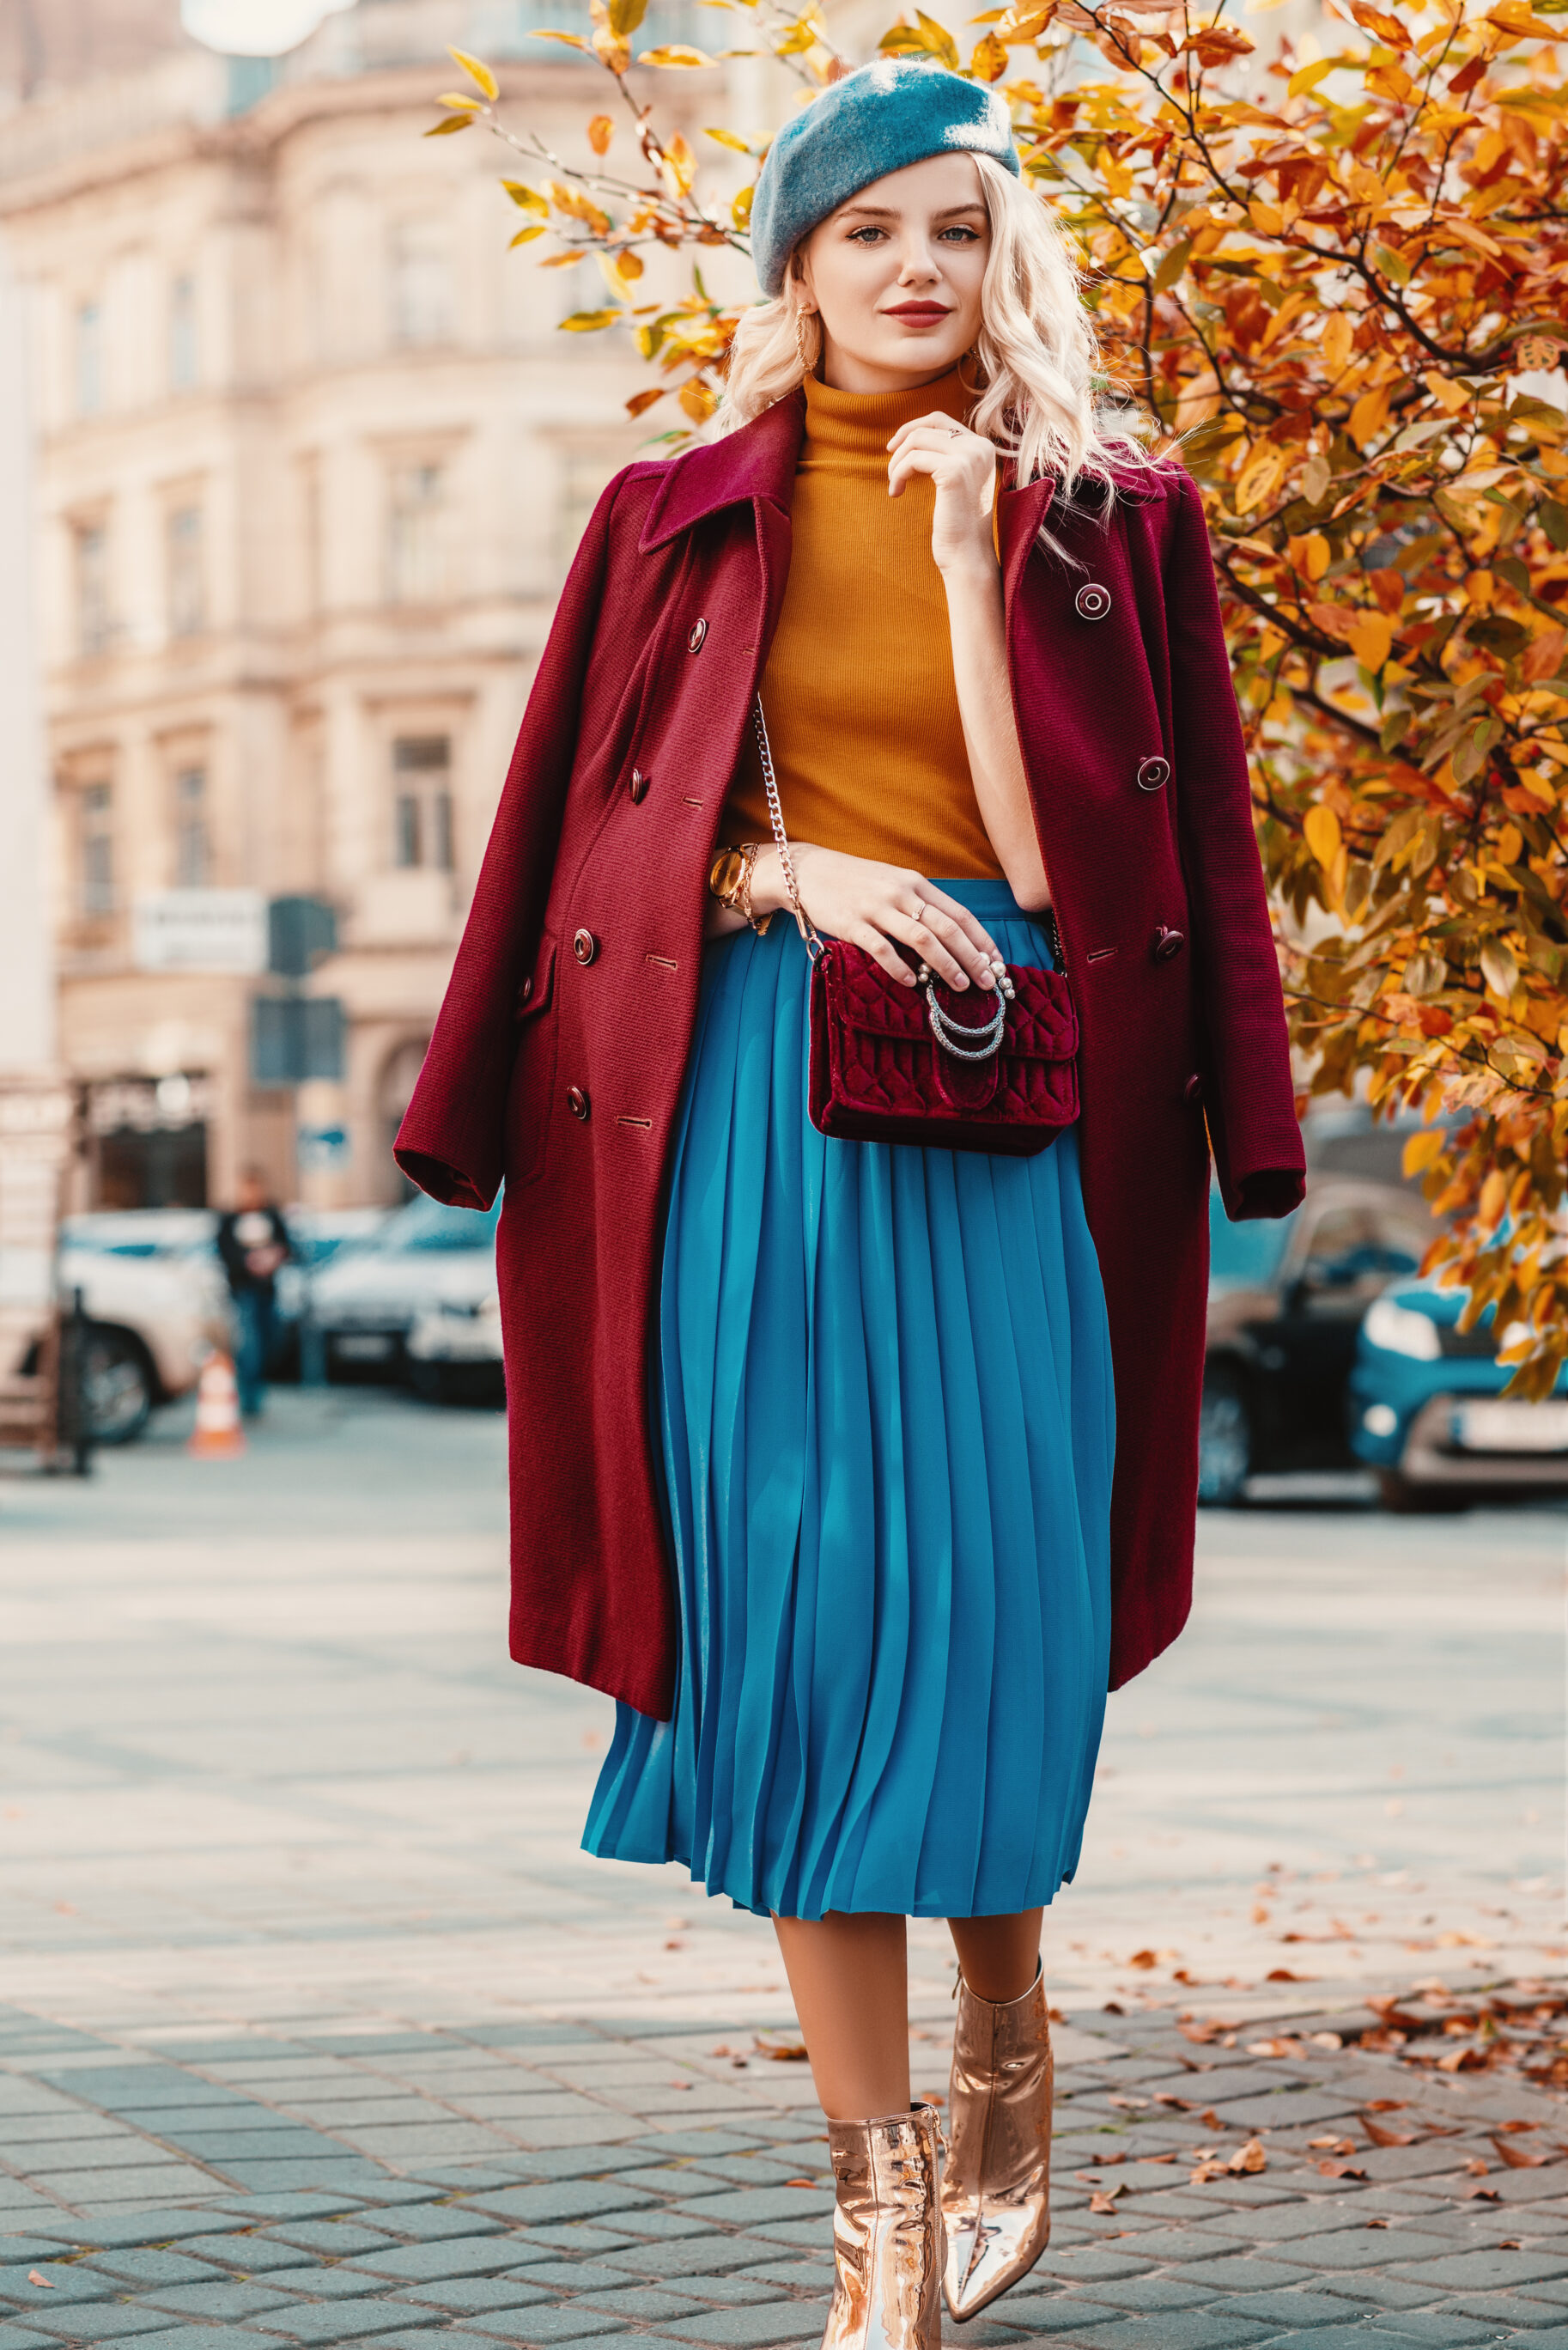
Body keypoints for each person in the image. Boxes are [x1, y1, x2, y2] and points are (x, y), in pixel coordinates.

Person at [394, 58, 1304, 2350]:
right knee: (792, 1639)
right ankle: (876, 2214)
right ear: (794, 268)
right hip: (746, 1126)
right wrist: (777, 860)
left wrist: (975, 558)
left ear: (1005, 263)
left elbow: (1100, 864)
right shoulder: (669, 513)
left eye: (960, 230)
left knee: (1000, 1611)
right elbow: (576, 833)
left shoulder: (1117, 517)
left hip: (1022, 1113)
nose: (919, 268)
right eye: (870, 230)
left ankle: (1010, 2023)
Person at [216, 1168, 290, 1418]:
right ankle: (249, 1396)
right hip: (243, 1290)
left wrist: (273, 1257)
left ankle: (257, 1390)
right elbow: (224, 1252)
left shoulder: (272, 1214)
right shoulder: (229, 1219)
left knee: (270, 1339)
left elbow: (287, 1246)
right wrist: (249, 1263)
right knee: (250, 1345)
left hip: (268, 1289)